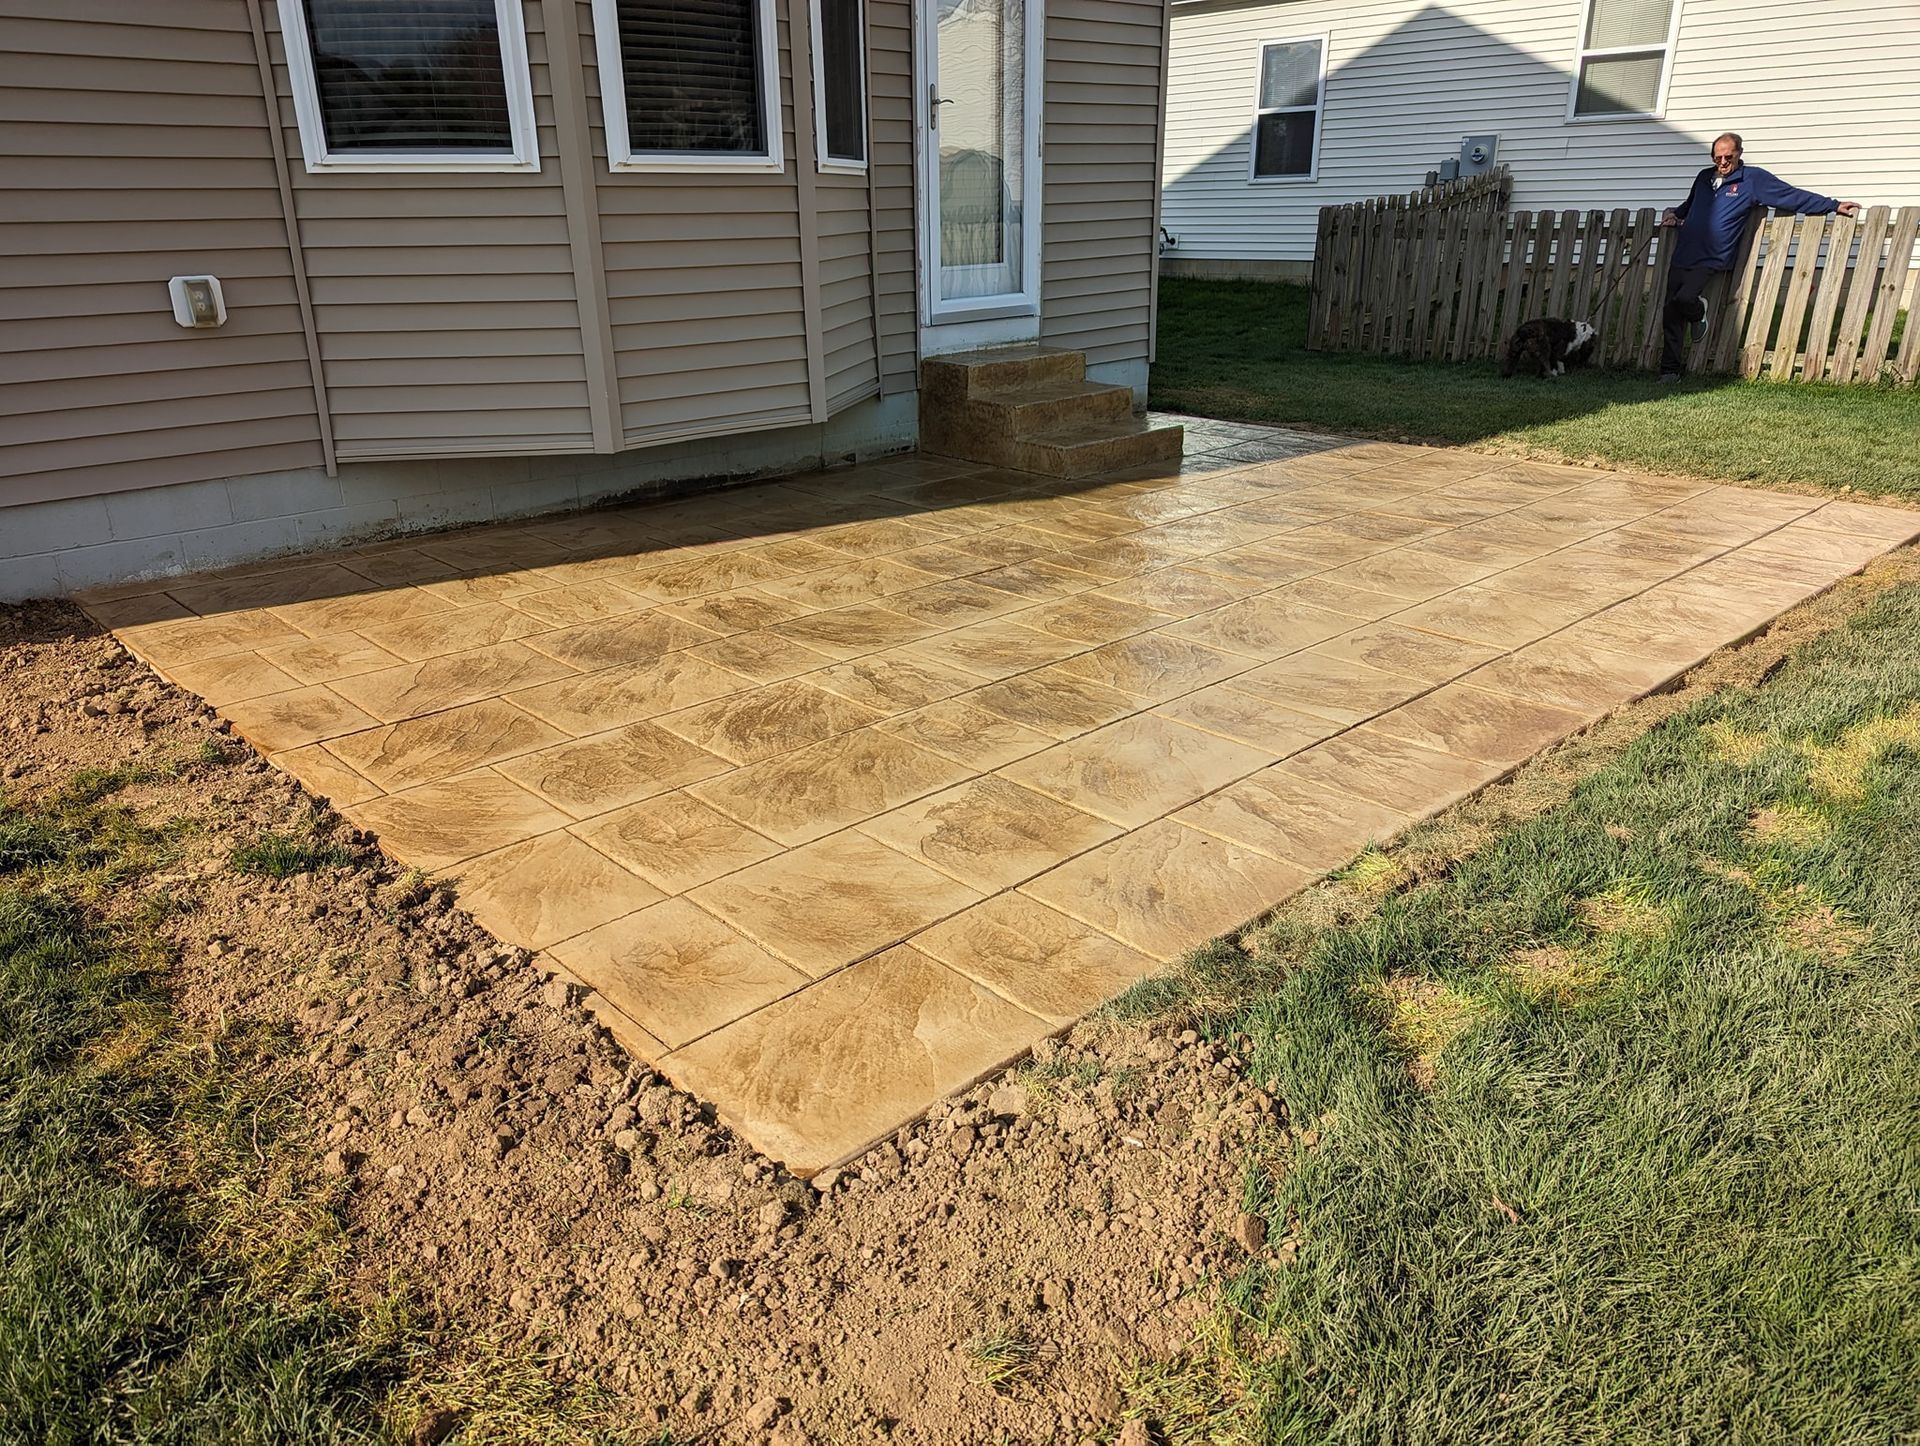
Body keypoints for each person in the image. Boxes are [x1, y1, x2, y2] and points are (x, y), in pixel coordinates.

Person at [1656, 133, 1858, 381]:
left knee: (1686, 298)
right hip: (1684, 251)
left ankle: (1699, 313)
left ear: (1739, 153)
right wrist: (1676, 215)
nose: (1722, 162)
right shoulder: (1703, 177)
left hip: (1712, 256)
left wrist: (1832, 204)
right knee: (1670, 311)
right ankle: (1670, 371)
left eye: (1728, 156)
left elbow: (1789, 195)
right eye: (1717, 157)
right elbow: (1691, 205)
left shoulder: (1752, 180)